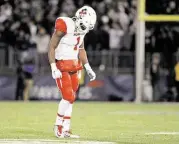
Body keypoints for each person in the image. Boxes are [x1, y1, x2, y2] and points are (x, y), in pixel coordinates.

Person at [48, 6, 97, 138]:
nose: (84, 29)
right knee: (68, 96)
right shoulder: (65, 25)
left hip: (75, 66)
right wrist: (53, 67)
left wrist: (88, 67)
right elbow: (51, 47)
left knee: (71, 99)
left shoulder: (83, 29)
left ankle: (66, 128)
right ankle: (58, 125)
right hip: (61, 65)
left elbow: (81, 49)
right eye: (84, 25)